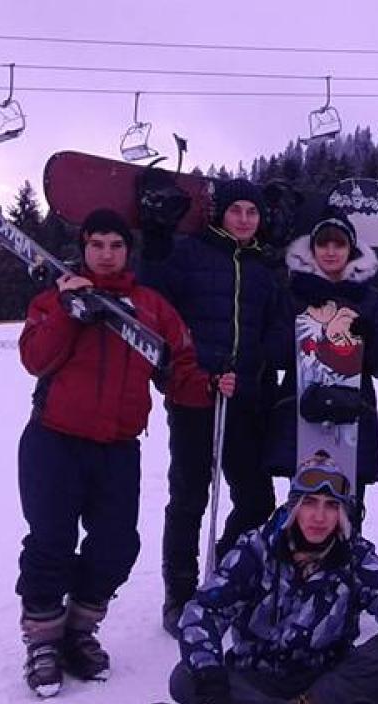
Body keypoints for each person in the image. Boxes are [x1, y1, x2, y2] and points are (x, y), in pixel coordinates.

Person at [15, 209, 232, 698]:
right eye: (97, 245)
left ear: (127, 252)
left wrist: (209, 386)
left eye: (115, 245)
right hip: (54, 440)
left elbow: (178, 368)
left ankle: (79, 630)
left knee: (115, 545)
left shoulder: (151, 308)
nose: (106, 254)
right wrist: (69, 312)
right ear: (84, 248)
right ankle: (43, 639)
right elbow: (35, 359)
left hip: (117, 447)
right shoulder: (54, 299)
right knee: (50, 541)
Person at [172, 456, 378, 704]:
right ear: (293, 507)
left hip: (327, 686)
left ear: (342, 514)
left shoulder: (354, 557)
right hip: (257, 679)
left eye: (331, 506)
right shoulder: (255, 550)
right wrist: (213, 689)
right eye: (310, 503)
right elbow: (202, 612)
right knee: (185, 677)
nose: (319, 517)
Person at [140, 179, 292, 635]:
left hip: (246, 397)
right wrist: (156, 236)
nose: (244, 219)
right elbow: (156, 304)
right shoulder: (190, 253)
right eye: (236, 210)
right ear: (220, 213)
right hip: (194, 394)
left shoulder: (266, 266)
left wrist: (256, 366)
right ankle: (180, 592)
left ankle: (227, 574)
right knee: (189, 496)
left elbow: (279, 328)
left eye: (252, 212)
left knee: (256, 498)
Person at [268, 212, 378, 532]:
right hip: (302, 410)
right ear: (311, 249)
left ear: (351, 250)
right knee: (304, 504)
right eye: (323, 244)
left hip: (353, 415)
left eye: (338, 244)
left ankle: (348, 561)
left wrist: (368, 339)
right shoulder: (293, 293)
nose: (330, 251)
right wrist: (305, 328)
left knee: (347, 507)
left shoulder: (368, 298)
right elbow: (274, 354)